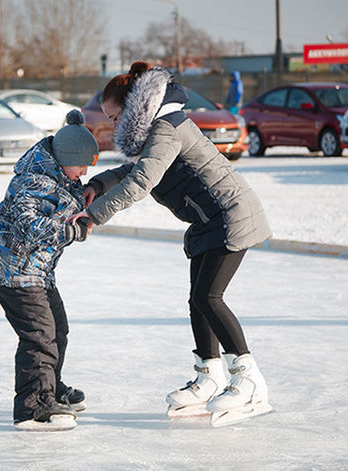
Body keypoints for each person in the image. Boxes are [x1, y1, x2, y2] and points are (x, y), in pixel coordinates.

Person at [70, 62, 272, 426]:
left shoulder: (166, 128)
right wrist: (98, 185)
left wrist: (94, 216)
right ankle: (209, 377)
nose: (115, 125)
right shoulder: (159, 130)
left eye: (116, 117)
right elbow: (135, 169)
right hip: (209, 220)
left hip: (231, 215)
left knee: (210, 297)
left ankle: (249, 379)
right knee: (198, 300)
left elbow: (140, 182)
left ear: (134, 108)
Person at [0, 110, 98, 431]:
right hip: (14, 269)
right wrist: (68, 232)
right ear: (66, 158)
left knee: (57, 329)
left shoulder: (62, 175)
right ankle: (32, 406)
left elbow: (73, 199)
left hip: (37, 269)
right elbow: (28, 225)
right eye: (83, 164)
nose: (85, 171)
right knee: (39, 335)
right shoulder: (32, 181)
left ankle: (50, 388)